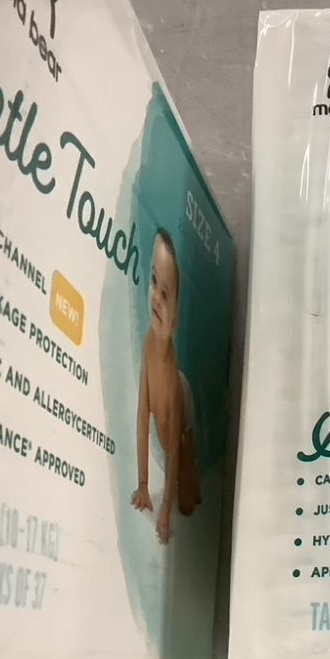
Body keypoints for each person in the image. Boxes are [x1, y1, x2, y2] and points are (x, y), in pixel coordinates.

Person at [131, 230, 200, 543]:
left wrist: (165, 511)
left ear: (174, 323)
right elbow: (142, 418)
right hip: (166, 399)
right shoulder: (149, 343)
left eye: (166, 293)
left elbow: (172, 452)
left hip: (183, 400)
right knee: (163, 435)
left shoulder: (172, 384)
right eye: (153, 282)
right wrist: (144, 485)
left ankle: (192, 487)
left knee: (186, 489)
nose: (156, 298)